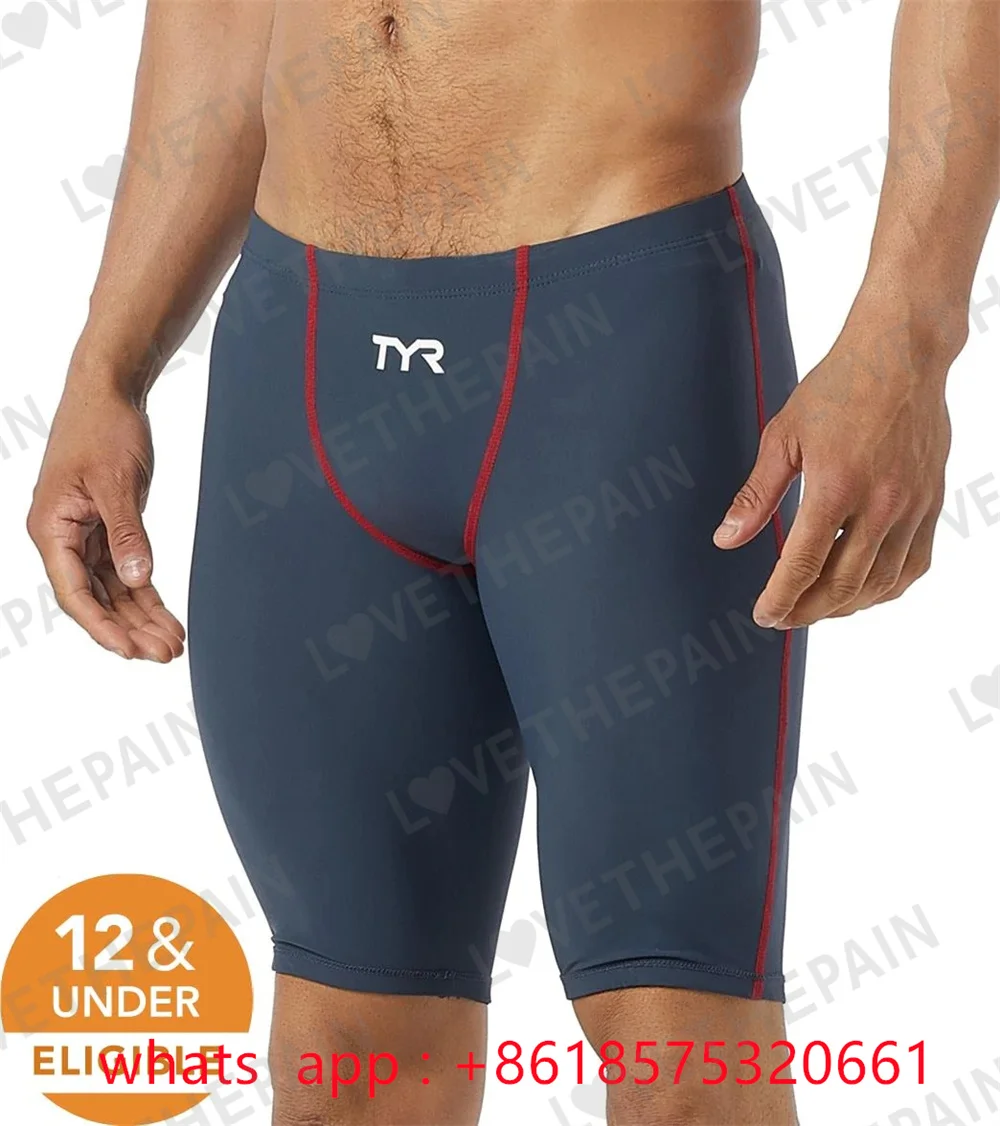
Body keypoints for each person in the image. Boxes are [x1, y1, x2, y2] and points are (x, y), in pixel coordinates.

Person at [26, 1, 998, 1123]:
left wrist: (907, 341)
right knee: (347, 1065)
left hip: (621, 340)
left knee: (683, 1063)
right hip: (304, 358)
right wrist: (107, 367)